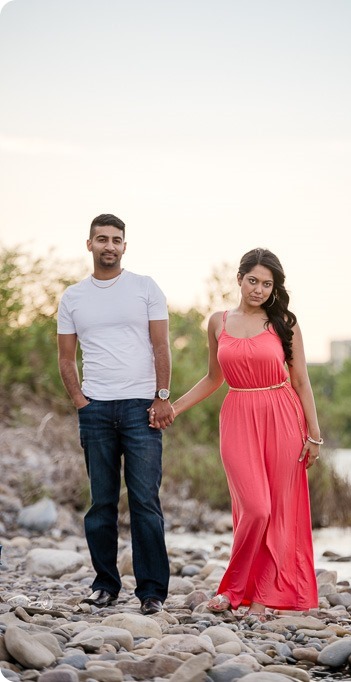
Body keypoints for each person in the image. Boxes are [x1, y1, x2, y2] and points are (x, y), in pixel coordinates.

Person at [151, 247, 320, 619]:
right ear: (239, 279)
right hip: (238, 414)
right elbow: (214, 378)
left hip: (283, 415)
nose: (258, 289)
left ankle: (264, 594)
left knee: (279, 512)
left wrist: (314, 434)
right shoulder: (217, 322)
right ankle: (233, 589)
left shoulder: (284, 324)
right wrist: (174, 407)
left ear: (275, 288)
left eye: (267, 284)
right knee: (256, 509)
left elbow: (302, 380)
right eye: (253, 280)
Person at [57, 213, 173, 615]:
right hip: (96, 409)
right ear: (89, 244)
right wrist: (80, 400)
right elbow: (66, 357)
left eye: (116, 239)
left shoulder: (144, 288)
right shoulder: (73, 297)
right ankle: (105, 584)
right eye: (102, 238)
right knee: (102, 503)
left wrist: (161, 397)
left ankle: (152, 592)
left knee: (144, 502)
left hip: (142, 407)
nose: (110, 245)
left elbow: (161, 347)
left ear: (125, 246)